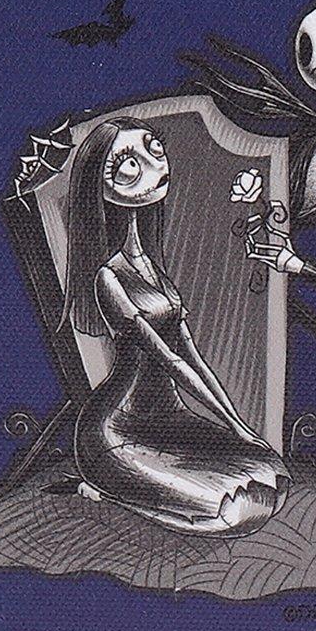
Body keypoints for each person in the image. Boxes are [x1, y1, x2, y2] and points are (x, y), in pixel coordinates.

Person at [60, 119, 289, 533]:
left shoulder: (156, 272)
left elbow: (194, 358)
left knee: (271, 472)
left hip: (173, 420)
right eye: (128, 163)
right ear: (101, 187)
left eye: (154, 148)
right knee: (231, 504)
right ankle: (107, 487)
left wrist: (240, 427)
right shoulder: (108, 278)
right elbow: (170, 362)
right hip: (116, 428)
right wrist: (233, 427)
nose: (154, 165)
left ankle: (140, 494)